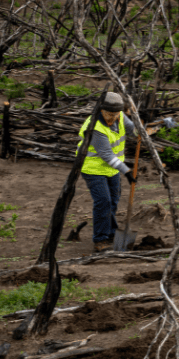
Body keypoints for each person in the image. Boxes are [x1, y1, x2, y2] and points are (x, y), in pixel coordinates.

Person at [78, 92, 137, 253]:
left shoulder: (121, 118)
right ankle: (100, 239)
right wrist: (127, 171)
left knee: (114, 201)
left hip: (112, 169)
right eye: (109, 114)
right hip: (93, 168)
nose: (112, 118)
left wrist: (148, 129)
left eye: (115, 114)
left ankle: (111, 232)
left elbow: (136, 132)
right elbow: (106, 155)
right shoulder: (95, 127)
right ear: (101, 110)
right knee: (103, 201)